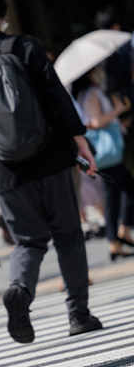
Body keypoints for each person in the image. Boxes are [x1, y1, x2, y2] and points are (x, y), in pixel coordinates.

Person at [0, 0, 103, 343]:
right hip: (50, 156)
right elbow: (57, 97)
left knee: (28, 242)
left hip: (6, 169)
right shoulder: (27, 48)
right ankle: (78, 314)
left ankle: (21, 288)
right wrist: (79, 141)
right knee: (68, 235)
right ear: (2, 12)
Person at [72, 68, 134, 258]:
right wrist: (117, 110)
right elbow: (96, 121)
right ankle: (114, 241)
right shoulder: (90, 93)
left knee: (127, 190)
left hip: (109, 153)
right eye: (96, 71)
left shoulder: (85, 93)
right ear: (88, 74)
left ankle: (122, 232)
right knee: (113, 197)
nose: (100, 74)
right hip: (107, 154)